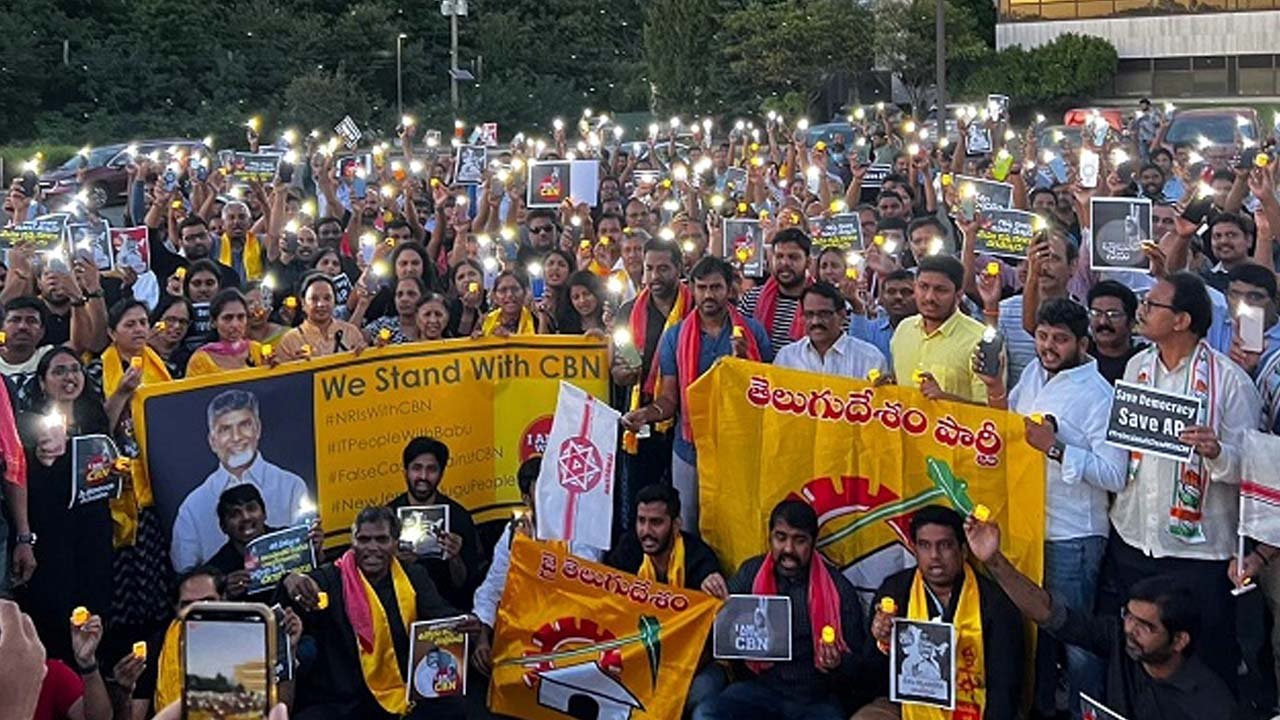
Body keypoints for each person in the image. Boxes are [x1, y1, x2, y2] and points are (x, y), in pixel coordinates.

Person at [1103, 271, 1262, 689]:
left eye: (1152, 305)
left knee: (1204, 659)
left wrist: (1216, 452)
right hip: (1136, 536)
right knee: (1140, 651)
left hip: (1199, 551)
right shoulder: (1137, 365)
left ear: (1182, 320)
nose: (1142, 311)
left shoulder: (1229, 381)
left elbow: (1251, 467)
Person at [977, 298, 1125, 718]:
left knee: (1077, 643)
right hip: (1028, 524)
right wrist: (994, 391)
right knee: (1036, 635)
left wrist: (1057, 448)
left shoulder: (1100, 395)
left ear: (1082, 342)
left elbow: (1114, 475)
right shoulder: (1034, 376)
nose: (1048, 347)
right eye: (1042, 337)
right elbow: (1009, 428)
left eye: (1060, 339)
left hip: (1073, 534)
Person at [966, 514, 1242, 720]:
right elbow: (1048, 613)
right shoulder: (1120, 639)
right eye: (1129, 616)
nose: (1130, 629)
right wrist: (994, 562)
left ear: (1179, 640)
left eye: (1145, 626)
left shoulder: (1212, 705)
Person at [281, 506, 476, 720]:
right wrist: (290, 580)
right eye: (364, 540)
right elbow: (294, 599)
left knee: (456, 708)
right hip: (346, 698)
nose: (372, 548)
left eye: (382, 540)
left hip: (404, 687)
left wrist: (463, 623)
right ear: (352, 541)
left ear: (395, 542)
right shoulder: (330, 578)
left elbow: (440, 613)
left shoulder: (414, 576)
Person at [620, 256, 772, 530]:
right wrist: (646, 413)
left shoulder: (752, 333)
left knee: (738, 523)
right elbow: (669, 399)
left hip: (739, 446)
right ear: (691, 288)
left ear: (729, 289)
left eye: (716, 287)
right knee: (689, 523)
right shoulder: (676, 336)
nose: (708, 295)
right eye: (701, 288)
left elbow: (767, 395)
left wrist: (744, 364)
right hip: (689, 447)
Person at [701, 500, 871, 720]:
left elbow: (858, 665)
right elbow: (716, 634)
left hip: (814, 698)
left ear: (813, 542)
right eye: (781, 538)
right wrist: (712, 602)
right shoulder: (750, 573)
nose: (788, 549)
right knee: (706, 713)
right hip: (759, 690)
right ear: (770, 537)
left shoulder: (839, 589)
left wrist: (838, 663)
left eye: (799, 540)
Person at [856, 505, 1024, 720]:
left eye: (944, 545)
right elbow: (871, 679)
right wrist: (882, 643)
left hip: (973, 706)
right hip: (907, 706)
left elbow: (1005, 684)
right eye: (925, 546)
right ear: (914, 549)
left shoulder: (994, 601)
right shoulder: (895, 592)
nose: (934, 556)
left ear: (963, 550)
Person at [15, 349, 114, 665]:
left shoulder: (95, 419)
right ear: (42, 382)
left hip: (93, 531)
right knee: (54, 611)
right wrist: (42, 455)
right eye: (59, 371)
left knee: (94, 605)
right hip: (50, 533)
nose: (69, 377)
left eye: (75, 369)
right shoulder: (27, 425)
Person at [470, 457, 603, 678]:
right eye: (542, 491)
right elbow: (492, 590)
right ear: (526, 499)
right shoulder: (514, 533)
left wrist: (532, 556)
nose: (551, 496)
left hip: (572, 637)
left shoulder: (579, 527)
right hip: (523, 635)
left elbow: (584, 586)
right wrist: (483, 638)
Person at [171, 388, 311, 571]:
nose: (236, 437)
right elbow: (186, 577)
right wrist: (223, 587)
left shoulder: (292, 487)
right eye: (225, 429)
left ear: (257, 429)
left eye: (244, 425)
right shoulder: (192, 508)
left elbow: (305, 554)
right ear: (212, 441)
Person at [613, 239, 689, 529]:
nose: (655, 277)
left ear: (679, 268)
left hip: (685, 422)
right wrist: (627, 373)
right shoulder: (629, 313)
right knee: (640, 500)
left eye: (663, 269)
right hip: (642, 422)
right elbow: (620, 370)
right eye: (649, 269)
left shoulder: (694, 308)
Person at [386, 437, 483, 611]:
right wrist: (392, 560)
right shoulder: (388, 516)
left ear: (441, 473)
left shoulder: (458, 517)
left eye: (431, 469)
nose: (423, 476)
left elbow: (466, 585)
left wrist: (455, 557)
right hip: (398, 611)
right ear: (405, 471)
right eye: (417, 468)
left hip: (447, 609)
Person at [890, 255, 988, 403]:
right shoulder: (904, 329)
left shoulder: (979, 340)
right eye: (923, 287)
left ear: (959, 295)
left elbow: (991, 413)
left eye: (940, 290)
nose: (929, 297)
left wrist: (945, 399)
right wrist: (888, 387)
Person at [206, 484, 323, 600]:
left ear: (264, 513)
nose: (246, 517)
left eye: (251, 508)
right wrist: (224, 595)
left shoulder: (291, 539)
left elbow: (320, 581)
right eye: (234, 514)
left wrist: (315, 553)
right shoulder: (215, 571)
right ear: (223, 526)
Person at [605, 484, 725, 595]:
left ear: (676, 525)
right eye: (641, 520)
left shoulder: (699, 558)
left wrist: (711, 585)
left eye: (656, 522)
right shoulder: (628, 548)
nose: (646, 530)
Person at [774, 282, 886, 379]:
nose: (815, 321)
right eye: (809, 314)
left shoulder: (869, 358)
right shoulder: (786, 357)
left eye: (824, 314)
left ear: (842, 315)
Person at [739, 227, 812, 350]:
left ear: (808, 262)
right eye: (779, 256)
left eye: (793, 257)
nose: (785, 263)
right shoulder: (751, 299)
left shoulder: (820, 303)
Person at [276, 274, 368, 360]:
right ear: (303, 304)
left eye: (327, 298)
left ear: (335, 302)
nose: (321, 304)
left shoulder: (351, 332)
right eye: (314, 299)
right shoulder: (290, 340)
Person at [184, 288, 267, 376]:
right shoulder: (200, 360)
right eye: (227, 318)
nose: (235, 325)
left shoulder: (257, 351)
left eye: (241, 317)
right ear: (213, 322)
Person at [847, 269, 916, 366]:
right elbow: (855, 356)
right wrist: (856, 305)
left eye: (906, 292)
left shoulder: (929, 332)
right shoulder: (870, 329)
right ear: (882, 298)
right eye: (891, 292)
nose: (898, 297)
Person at [1086, 280, 1145, 385]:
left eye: (1113, 315)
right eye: (1096, 313)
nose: (1103, 321)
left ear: (1132, 322)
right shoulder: (1080, 357)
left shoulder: (1143, 362)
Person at [0, 296, 54, 377]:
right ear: (1, 328)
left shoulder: (51, 357)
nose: (22, 327)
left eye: (31, 321)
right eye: (15, 320)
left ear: (42, 331)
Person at [477, 270, 536, 336]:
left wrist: (510, 338)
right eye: (503, 290)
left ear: (524, 293)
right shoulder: (484, 321)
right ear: (495, 296)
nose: (509, 295)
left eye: (515, 289)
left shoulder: (537, 320)